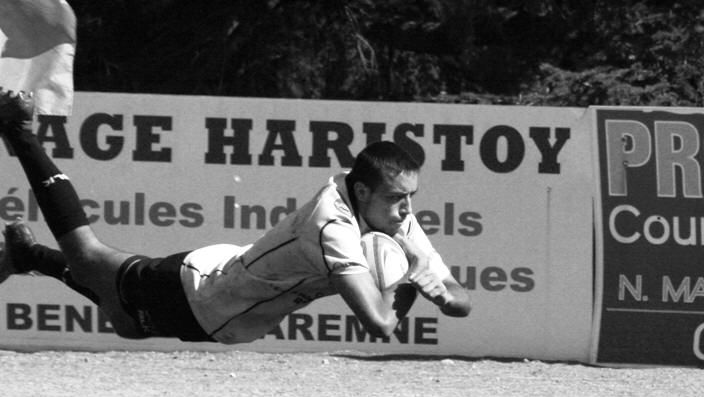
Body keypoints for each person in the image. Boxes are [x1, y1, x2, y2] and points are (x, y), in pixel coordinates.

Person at [0, 89, 470, 343]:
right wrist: (410, 284)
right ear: (363, 191)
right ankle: (19, 131)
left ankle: (27, 256)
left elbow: (461, 300)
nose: (408, 210)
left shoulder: (391, 214)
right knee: (87, 256)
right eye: (398, 197)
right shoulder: (333, 224)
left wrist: (445, 296)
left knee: (124, 321)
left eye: (412, 197)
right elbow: (380, 324)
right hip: (197, 291)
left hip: (226, 316)